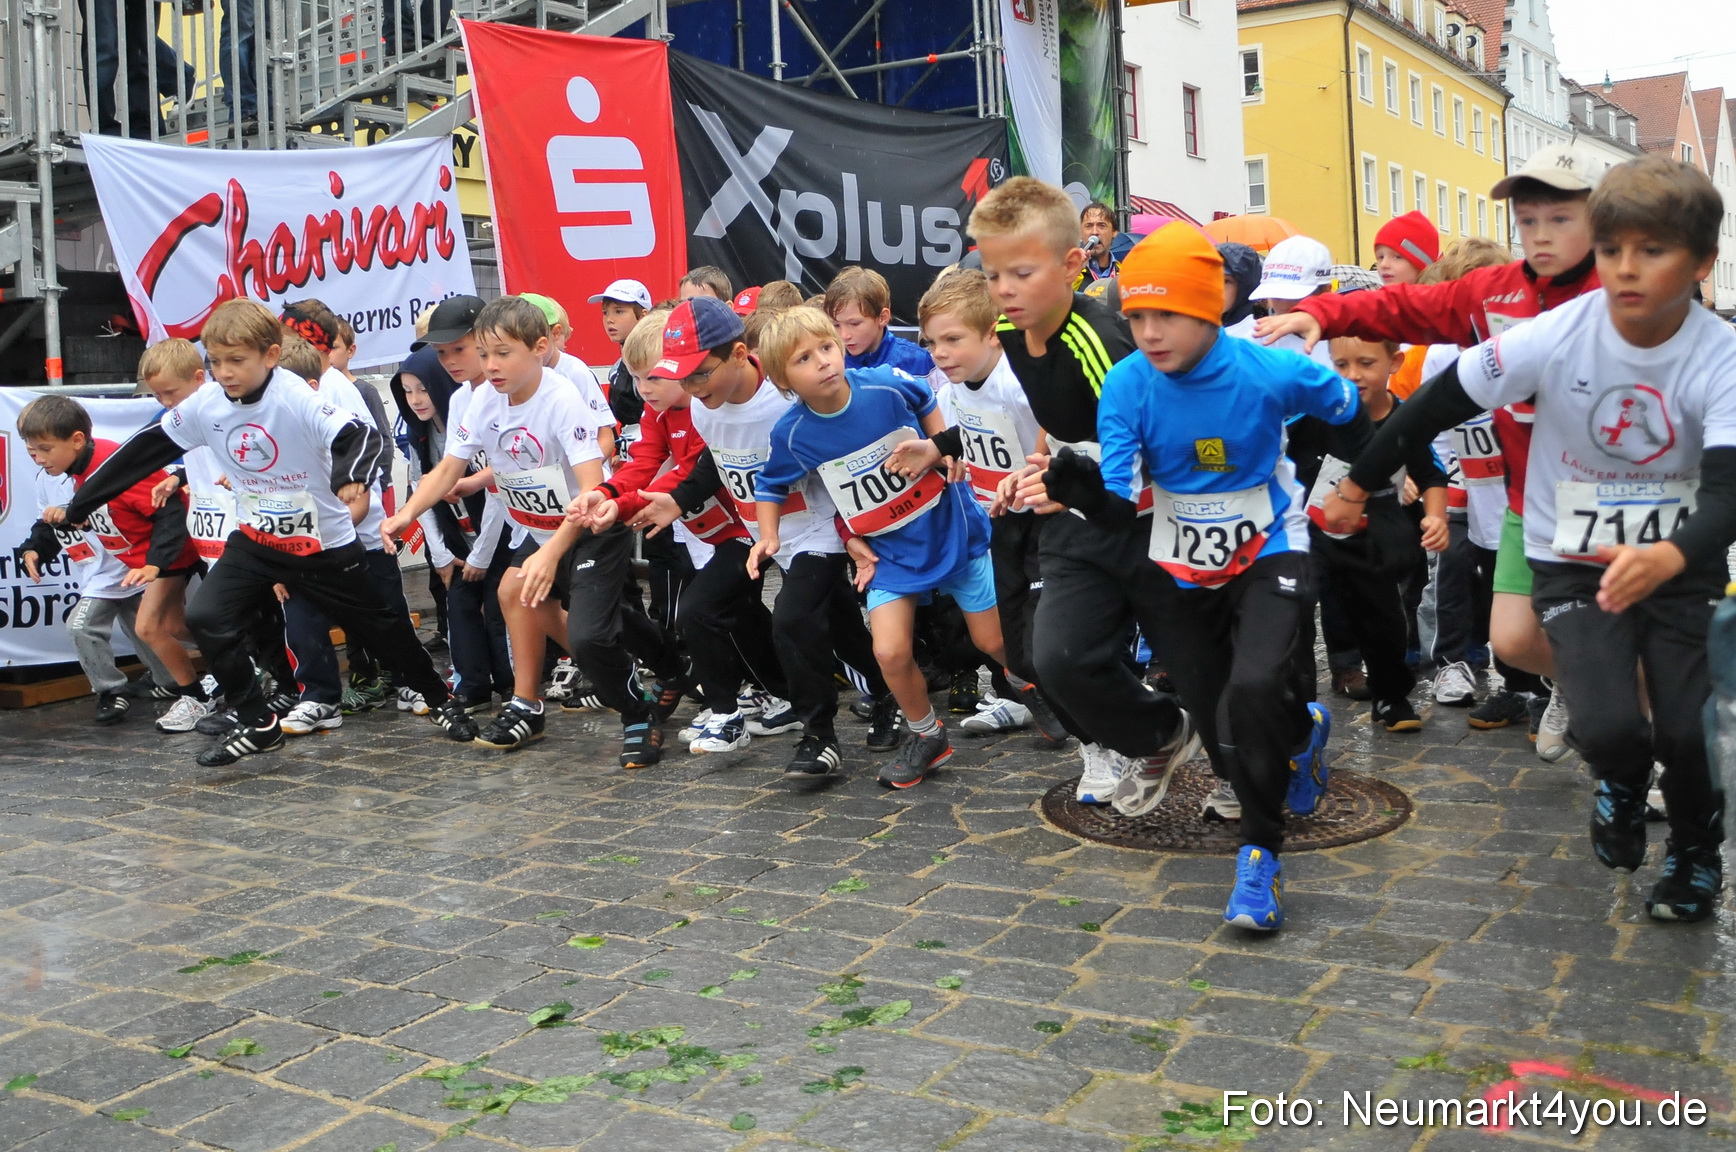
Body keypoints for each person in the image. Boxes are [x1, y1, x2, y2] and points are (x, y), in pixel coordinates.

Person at [1323, 156, 1735, 922]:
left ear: (1702, 262)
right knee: (1611, 723)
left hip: (1677, 565)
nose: (1625, 270)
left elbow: (1729, 489)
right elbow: (1431, 407)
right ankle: (1616, 773)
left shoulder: (1720, 355)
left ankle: (1694, 856)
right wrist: (1355, 483)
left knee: (1685, 727)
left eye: (1652, 252)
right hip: (1568, 557)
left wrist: (1671, 555)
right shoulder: (1556, 331)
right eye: (1612, 250)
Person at [1037, 221, 1372, 931]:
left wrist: (1355, 487)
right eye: (1136, 316)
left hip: (1272, 548)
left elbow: (1352, 415)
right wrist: (1078, 489)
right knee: (1225, 718)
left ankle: (1258, 860)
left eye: (1167, 315)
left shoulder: (1271, 369)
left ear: (1209, 309)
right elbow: (1119, 504)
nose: (1150, 332)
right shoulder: (1128, 385)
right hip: (1182, 563)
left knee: (1252, 692)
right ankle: (1302, 733)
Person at [1260, 143, 1603, 749]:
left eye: (1560, 218)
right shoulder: (1493, 293)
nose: (1540, 235)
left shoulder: (1618, 290)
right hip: (1534, 498)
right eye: (1528, 221)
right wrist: (1322, 310)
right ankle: (1583, 685)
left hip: (1613, 491)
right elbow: (1404, 307)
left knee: (1632, 645)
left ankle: (1653, 756)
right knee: (1514, 640)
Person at [57, 298, 479, 766]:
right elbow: (146, 448)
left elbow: (360, 437)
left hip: (323, 544)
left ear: (271, 356)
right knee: (207, 617)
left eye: (237, 361)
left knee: (386, 633)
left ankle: (442, 702)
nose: (226, 372)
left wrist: (347, 476)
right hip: (257, 538)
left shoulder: (293, 395)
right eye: (215, 362)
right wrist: (84, 500)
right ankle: (258, 724)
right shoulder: (206, 403)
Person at [969, 176, 1199, 814]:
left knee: (1207, 670)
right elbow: (1070, 423)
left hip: (1154, 524)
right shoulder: (1014, 331)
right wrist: (1038, 465)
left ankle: (1285, 743)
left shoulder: (1102, 338)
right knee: (1058, 658)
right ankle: (1162, 735)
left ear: (1074, 264)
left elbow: (1152, 439)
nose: (1004, 290)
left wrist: (1078, 475)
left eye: (1020, 272)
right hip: (1079, 518)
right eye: (992, 275)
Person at [387, 298, 686, 765]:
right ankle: (533, 703)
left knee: (588, 636)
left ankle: (636, 712)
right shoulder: (481, 397)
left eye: (502, 353)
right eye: (483, 354)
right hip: (536, 528)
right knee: (526, 595)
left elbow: (592, 492)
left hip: (589, 530)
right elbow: (449, 467)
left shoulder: (561, 397)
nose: (490, 366)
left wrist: (550, 554)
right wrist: (406, 513)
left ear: (540, 348)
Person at [752, 307, 1002, 788]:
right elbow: (771, 485)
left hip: (948, 528)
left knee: (993, 642)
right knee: (888, 651)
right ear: (785, 381)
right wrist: (768, 536)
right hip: (888, 553)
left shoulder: (883, 383)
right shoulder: (792, 432)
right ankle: (927, 735)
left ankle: (1037, 689)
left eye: (827, 347)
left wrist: (938, 446)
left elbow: (926, 397)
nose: (823, 361)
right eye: (805, 359)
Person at [652, 296, 901, 777]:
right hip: (759, 534)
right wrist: (679, 500)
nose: (689, 386)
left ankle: (820, 737)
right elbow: (719, 461)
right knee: (706, 608)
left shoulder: (787, 398)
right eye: (680, 376)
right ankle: (855, 692)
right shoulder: (705, 407)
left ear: (741, 354)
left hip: (817, 532)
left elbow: (838, 455)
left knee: (795, 619)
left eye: (700, 373)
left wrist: (851, 533)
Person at [573, 311, 792, 757]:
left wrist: (624, 504)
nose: (643, 390)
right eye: (636, 379)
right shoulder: (657, 415)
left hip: (745, 527)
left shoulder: (703, 409)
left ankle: (731, 707)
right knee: (740, 614)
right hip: (703, 534)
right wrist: (607, 493)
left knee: (701, 611)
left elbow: (691, 475)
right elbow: (644, 463)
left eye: (653, 378)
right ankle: (774, 690)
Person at [890, 268, 1068, 743]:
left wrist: (1041, 465)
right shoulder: (951, 389)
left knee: (1042, 637)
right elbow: (963, 430)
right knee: (1000, 637)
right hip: (998, 523)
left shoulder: (1017, 379)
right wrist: (936, 449)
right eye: (930, 343)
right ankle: (1031, 694)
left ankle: (1089, 707)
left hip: (1047, 524)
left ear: (992, 333)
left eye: (952, 339)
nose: (939, 353)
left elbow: (1058, 421)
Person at [18, 394, 207, 729]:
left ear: (76, 440)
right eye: (31, 450)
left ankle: (197, 695)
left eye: (44, 449)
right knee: (174, 627)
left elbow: (169, 509)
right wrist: (36, 548)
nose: (37, 458)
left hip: (162, 558)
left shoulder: (112, 464)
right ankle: (233, 667)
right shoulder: (65, 471)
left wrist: (155, 564)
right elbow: (61, 520)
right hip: (136, 562)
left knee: (149, 627)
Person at [1293, 331, 1450, 732]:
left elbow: (1432, 473)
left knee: (1383, 621)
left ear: (1394, 363)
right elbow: (1281, 453)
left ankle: (1390, 697)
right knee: (1295, 610)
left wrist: (1435, 517)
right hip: (1313, 530)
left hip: (1374, 535)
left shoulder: (1404, 417)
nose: (1353, 375)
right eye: (1341, 365)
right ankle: (1296, 706)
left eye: (1366, 363)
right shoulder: (1316, 413)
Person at [824, 266, 936, 377]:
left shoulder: (918, 361)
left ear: (882, 317)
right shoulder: (828, 363)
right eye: (836, 325)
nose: (844, 336)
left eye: (854, 324)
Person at [588, 278, 655, 455]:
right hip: (632, 460)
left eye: (619, 311)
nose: (610, 320)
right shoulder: (616, 369)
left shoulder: (656, 364)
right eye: (605, 313)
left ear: (643, 315)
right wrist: (618, 451)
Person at [1078, 201, 1119, 285]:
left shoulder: (1125, 272)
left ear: (1114, 232)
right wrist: (1075, 270)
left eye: (1101, 225)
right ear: (1080, 233)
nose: (1094, 232)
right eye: (1088, 226)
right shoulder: (1069, 271)